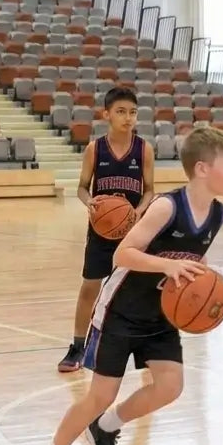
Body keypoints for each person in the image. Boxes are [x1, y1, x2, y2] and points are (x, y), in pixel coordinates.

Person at [29, 128, 223, 445]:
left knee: (170, 386)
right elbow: (122, 255)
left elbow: (193, 259)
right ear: (204, 169)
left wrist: (202, 282)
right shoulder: (166, 207)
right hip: (120, 313)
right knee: (100, 395)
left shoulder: (217, 214)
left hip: (160, 317)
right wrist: (167, 266)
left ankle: (108, 427)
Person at [57, 87, 155, 373]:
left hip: (133, 231)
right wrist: (90, 204)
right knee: (90, 287)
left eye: (133, 112)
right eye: (121, 112)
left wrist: (138, 212)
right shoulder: (95, 149)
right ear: (107, 115)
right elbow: (80, 188)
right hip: (101, 230)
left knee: (138, 291)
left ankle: (143, 348)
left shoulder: (144, 149)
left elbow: (149, 190)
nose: (128, 118)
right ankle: (77, 345)